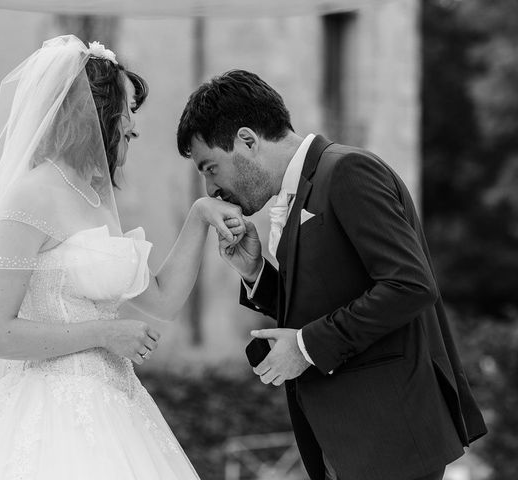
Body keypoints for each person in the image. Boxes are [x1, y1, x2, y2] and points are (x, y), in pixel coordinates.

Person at [0, 35, 243, 480]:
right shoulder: (31, 196)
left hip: (118, 406)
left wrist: (199, 217)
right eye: (126, 115)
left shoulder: (97, 198)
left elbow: (160, 301)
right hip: (48, 415)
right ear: (96, 116)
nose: (132, 129)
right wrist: (104, 333)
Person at [176, 69, 488, 480]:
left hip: (390, 439)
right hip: (352, 443)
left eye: (210, 167)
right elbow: (329, 296)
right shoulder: (304, 186)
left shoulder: (347, 171)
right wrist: (255, 271)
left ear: (247, 141)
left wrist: (305, 347)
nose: (210, 188)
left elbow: (409, 285)